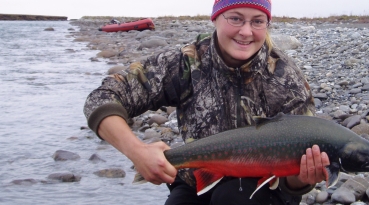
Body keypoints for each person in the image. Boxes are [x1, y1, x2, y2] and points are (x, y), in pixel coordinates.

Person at [84, 0, 330, 204]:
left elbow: (294, 183)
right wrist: (137, 152)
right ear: (215, 18)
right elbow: (101, 97)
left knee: (233, 198)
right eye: (235, 18)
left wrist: (303, 178)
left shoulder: (286, 77)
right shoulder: (184, 63)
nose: (246, 31)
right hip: (196, 181)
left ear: (267, 24)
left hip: (265, 188)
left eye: (257, 21)